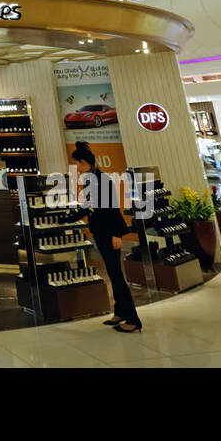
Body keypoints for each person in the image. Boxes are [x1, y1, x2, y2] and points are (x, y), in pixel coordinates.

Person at [71, 142, 140, 333]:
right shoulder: (90, 179)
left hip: (108, 234)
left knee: (117, 275)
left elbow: (111, 208)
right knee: (112, 272)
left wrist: (117, 234)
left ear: (85, 162)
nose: (77, 167)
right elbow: (87, 206)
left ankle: (133, 319)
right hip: (100, 232)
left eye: (78, 163)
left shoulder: (101, 180)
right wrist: (70, 217)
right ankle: (120, 312)